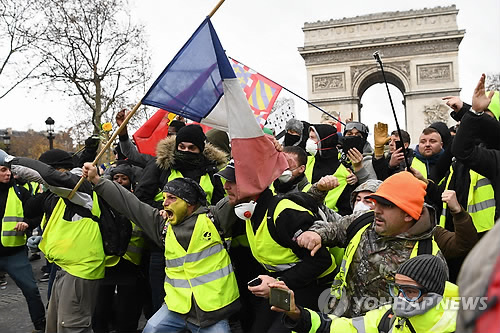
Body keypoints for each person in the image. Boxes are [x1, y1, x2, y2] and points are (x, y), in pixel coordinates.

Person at [82, 164, 240, 333]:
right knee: (151, 329)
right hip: (176, 309)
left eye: (172, 198)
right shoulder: (161, 225)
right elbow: (130, 204)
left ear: (189, 203)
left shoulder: (214, 218)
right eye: (164, 197)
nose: (164, 203)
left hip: (213, 312)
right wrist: (98, 181)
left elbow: (239, 193)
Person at [297, 171, 446, 317]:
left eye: (387, 205)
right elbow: (334, 228)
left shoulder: (428, 258)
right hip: (338, 320)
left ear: (408, 214)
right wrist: (316, 234)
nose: (377, 210)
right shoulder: (364, 221)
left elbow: (427, 315)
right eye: (377, 202)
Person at [2, 149, 106, 333]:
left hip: (80, 269)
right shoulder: (59, 194)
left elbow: (46, 176)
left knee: (72, 326)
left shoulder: (80, 187)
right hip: (64, 267)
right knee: (56, 325)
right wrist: (42, 239)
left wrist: (8, 160)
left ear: (60, 171)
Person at [273, 255, 456, 333]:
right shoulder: (387, 316)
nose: (400, 298)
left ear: (433, 295)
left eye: (409, 291)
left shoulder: (462, 325)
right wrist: (296, 313)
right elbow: (344, 328)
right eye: (397, 289)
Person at [92, 163, 145, 333]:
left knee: (127, 311)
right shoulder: (102, 200)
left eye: (124, 178)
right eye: (116, 178)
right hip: (106, 265)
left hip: (130, 264)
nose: (120, 181)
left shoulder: (136, 202)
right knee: (100, 309)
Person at [0, 158, 46, 333]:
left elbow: (36, 215)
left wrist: (27, 224)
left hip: (15, 253)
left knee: (31, 290)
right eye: (3, 170)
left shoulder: (21, 192)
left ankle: (40, 325)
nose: (8, 173)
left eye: (9, 169)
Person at [305, 124, 354, 214]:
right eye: (309, 137)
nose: (309, 141)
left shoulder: (345, 174)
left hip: (326, 222)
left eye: (313, 138)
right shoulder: (306, 162)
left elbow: (345, 210)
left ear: (325, 141)